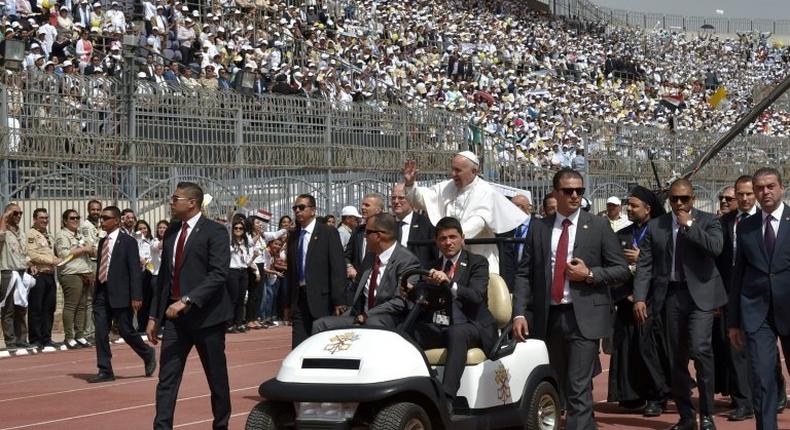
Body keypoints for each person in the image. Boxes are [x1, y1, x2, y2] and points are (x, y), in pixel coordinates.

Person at [512, 168, 630, 430]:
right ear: (556, 193)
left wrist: (589, 274)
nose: (575, 195)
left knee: (578, 386)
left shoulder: (598, 226)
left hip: (584, 317)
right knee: (560, 385)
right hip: (549, 316)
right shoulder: (540, 227)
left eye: (580, 191)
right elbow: (524, 273)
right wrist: (519, 312)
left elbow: (621, 269)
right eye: (568, 191)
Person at [633, 178, 726, 430]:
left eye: (684, 198)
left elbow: (716, 248)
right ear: (669, 200)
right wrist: (640, 296)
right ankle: (686, 417)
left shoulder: (709, 221)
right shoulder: (656, 226)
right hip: (670, 296)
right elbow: (645, 265)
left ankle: (707, 414)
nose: (679, 203)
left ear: (693, 199)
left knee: (701, 349)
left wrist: (690, 227)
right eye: (674, 199)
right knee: (676, 358)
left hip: (701, 296)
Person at [146, 182, 232, 430]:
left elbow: (218, 274)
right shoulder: (172, 231)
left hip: (208, 318)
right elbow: (164, 278)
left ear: (192, 203)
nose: (171, 203)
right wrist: (154, 316)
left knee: (216, 379)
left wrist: (187, 300)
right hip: (175, 320)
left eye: (175, 199)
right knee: (167, 379)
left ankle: (221, 425)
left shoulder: (215, 231)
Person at [406, 216, 497, 412]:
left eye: (453, 237)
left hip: (472, 325)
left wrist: (449, 282)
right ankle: (416, 389)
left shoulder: (477, 263)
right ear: (437, 242)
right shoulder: (431, 265)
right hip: (442, 325)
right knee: (405, 332)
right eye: (443, 238)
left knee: (457, 333)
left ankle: (446, 399)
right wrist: (412, 291)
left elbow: (476, 296)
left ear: (462, 238)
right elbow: (425, 300)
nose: (448, 242)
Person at [718, 175, 787, 421]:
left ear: (782, 188)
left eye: (770, 187)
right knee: (761, 378)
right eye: (759, 188)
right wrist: (734, 322)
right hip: (757, 315)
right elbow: (738, 276)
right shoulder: (745, 226)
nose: (764, 192)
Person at [402, 152, 524, 274]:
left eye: (458, 170)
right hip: (449, 257)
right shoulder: (447, 187)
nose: (453, 174)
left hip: (478, 258)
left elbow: (478, 221)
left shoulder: (486, 192)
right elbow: (422, 199)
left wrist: (453, 237)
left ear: (474, 171)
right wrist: (410, 184)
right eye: (452, 169)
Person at [607, 186, 671, 415]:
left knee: (651, 349)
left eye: (634, 205)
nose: (629, 209)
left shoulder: (662, 232)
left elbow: (669, 265)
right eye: (629, 205)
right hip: (626, 301)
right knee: (627, 350)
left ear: (648, 208)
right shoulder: (622, 234)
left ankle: (658, 395)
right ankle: (630, 395)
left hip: (655, 302)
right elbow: (611, 266)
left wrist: (642, 259)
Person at [312, 213, 420, 332]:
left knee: (372, 323)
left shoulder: (407, 261)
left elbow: (400, 301)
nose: (364, 236)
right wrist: (342, 304)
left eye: (367, 233)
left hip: (387, 320)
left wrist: (368, 314)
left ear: (378, 236)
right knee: (321, 325)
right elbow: (355, 286)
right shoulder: (370, 257)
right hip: (359, 315)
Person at [89, 206, 157, 383]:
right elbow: (100, 267)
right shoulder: (102, 242)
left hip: (121, 293)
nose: (102, 221)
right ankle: (105, 369)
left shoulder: (128, 242)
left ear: (117, 220)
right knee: (101, 332)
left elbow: (134, 270)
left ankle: (147, 353)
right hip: (102, 293)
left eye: (106, 218)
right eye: (101, 218)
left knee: (126, 330)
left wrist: (136, 295)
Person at [287, 194, 346, 348]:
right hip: (299, 299)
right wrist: (287, 303)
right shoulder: (293, 236)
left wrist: (339, 300)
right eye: (295, 208)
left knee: (322, 345)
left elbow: (338, 267)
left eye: (301, 207)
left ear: (313, 210)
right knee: (298, 346)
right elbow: (291, 272)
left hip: (322, 299)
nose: (297, 211)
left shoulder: (328, 233)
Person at [55, 208, 96, 349]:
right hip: (71, 273)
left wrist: (89, 249)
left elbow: (92, 251)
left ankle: (80, 335)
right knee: (71, 305)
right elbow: (63, 254)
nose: (76, 220)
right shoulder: (62, 235)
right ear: (65, 221)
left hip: (85, 271)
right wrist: (84, 249)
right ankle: (69, 337)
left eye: (77, 218)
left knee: (82, 306)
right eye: (72, 218)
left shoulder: (80, 235)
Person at [26, 208, 62, 350]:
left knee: (49, 307)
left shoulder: (48, 235)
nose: (45, 221)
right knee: (36, 308)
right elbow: (33, 254)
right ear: (35, 219)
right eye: (41, 218)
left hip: (49, 275)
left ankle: (46, 338)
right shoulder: (31, 234)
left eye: (46, 218)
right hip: (39, 274)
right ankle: (35, 339)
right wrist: (52, 260)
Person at [0, 203, 33, 349]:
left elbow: (24, 253)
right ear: (7, 214)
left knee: (21, 307)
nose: (18, 216)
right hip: (8, 272)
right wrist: (4, 218)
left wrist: (30, 264)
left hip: (21, 272)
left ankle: (22, 339)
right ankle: (10, 341)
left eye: (20, 213)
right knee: (8, 309)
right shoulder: (3, 231)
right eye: (15, 213)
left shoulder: (21, 232)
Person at [390, 183, 437, 269]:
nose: (396, 202)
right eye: (393, 198)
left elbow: (435, 255)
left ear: (411, 199)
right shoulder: (387, 224)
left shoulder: (426, 225)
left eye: (401, 198)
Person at [227, 220, 259, 333]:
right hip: (233, 271)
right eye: (236, 228)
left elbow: (247, 262)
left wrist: (254, 257)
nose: (238, 230)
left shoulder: (245, 243)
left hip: (243, 271)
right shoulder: (230, 242)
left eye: (241, 228)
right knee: (233, 299)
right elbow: (228, 223)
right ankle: (229, 324)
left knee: (241, 299)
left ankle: (239, 323)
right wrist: (233, 210)